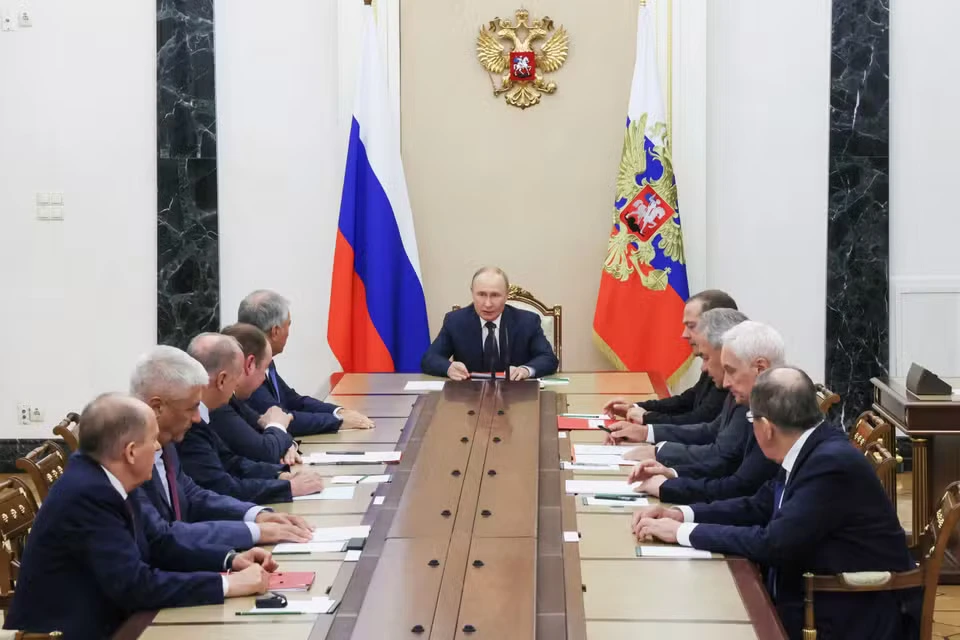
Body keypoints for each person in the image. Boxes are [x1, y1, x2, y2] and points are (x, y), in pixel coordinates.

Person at [632, 368, 920, 640]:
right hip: (809, 590)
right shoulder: (810, 445)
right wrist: (682, 516)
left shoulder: (829, 463)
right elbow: (759, 505)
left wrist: (683, 534)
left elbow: (774, 543)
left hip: (845, 611)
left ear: (766, 428)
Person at [4, 393, 276, 638]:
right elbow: (135, 586)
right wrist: (227, 584)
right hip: (77, 628)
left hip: (110, 612)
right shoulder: (89, 493)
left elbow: (159, 542)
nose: (159, 447)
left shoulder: (108, 473)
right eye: (153, 440)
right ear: (131, 452)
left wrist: (231, 559)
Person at [130, 345, 313, 548]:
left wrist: (256, 515)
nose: (197, 417)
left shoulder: (167, 442)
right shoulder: (129, 459)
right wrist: (252, 533)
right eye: (192, 408)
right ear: (157, 407)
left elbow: (192, 495)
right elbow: (164, 536)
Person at [625, 321, 785, 502]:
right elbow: (726, 465)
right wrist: (671, 473)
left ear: (760, 369)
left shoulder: (777, 417)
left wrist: (671, 490)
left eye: (731, 371)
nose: (726, 383)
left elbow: (741, 486)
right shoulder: (754, 403)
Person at [609, 311, 756, 482]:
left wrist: (659, 452)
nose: (703, 368)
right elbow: (708, 428)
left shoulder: (751, 400)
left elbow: (724, 461)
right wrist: (647, 432)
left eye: (706, 358)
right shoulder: (739, 390)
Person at [178, 333, 326, 503]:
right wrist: (288, 488)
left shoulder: (209, 410)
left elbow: (231, 463)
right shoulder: (190, 422)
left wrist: (279, 475)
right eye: (237, 377)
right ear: (222, 380)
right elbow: (222, 486)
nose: (237, 385)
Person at [238, 289, 374, 436]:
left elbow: (293, 400)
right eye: (288, 325)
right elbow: (280, 418)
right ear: (276, 331)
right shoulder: (249, 369)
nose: (289, 332)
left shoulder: (263, 359)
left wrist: (338, 411)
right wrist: (337, 421)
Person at [602, 289, 737, 425]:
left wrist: (647, 419)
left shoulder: (731, 370)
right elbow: (687, 401)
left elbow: (700, 421)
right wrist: (637, 408)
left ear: (717, 326)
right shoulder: (715, 360)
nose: (684, 334)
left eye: (691, 326)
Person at [420, 266, 558, 380]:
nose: (487, 304)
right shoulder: (455, 321)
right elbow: (430, 358)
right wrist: (448, 368)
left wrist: (526, 370)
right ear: (472, 293)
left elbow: (549, 359)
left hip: (517, 397)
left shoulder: (527, 321)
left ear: (506, 295)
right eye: (481, 294)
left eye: (495, 295)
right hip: (470, 398)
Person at [214, 323, 298, 464]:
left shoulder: (234, 398)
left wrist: (287, 444)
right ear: (250, 364)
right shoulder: (218, 404)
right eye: (265, 369)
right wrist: (278, 427)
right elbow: (264, 451)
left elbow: (266, 431)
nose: (265, 378)